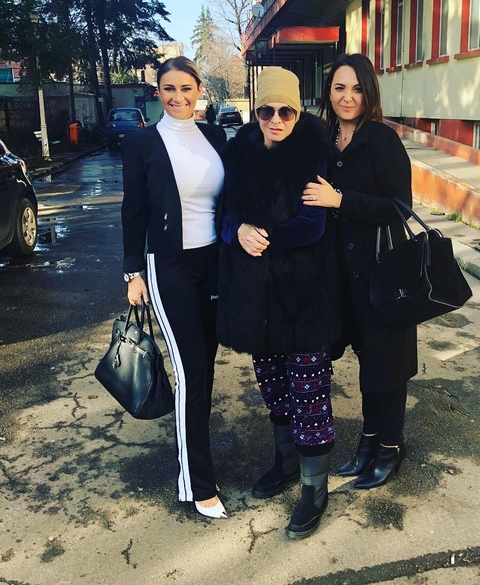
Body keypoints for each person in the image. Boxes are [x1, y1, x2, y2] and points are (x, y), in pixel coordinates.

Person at [217, 66, 341, 539]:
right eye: (266, 111)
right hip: (258, 298)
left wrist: (261, 237)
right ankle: (286, 462)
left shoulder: (312, 154)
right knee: (273, 387)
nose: (275, 120)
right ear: (256, 112)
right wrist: (238, 231)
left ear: (297, 111)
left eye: (285, 111)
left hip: (304, 297)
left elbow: (311, 225)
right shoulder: (238, 153)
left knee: (309, 394)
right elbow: (224, 215)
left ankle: (314, 488)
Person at [302, 53, 418, 489]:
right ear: (328, 92)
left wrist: (341, 201)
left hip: (381, 271)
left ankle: (391, 446)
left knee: (388, 363)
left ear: (369, 93)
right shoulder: (326, 140)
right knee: (368, 361)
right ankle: (369, 441)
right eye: (339, 88)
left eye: (356, 89)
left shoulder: (382, 139)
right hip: (343, 275)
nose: (347, 97)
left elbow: (399, 207)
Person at [121, 56, 228, 519]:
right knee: (190, 374)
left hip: (214, 264)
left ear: (199, 89)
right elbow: (133, 210)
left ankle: (198, 463)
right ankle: (197, 482)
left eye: (186, 88)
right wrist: (132, 273)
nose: (178, 97)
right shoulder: (142, 142)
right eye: (169, 88)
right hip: (170, 266)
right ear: (157, 92)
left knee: (205, 368)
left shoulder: (215, 137)